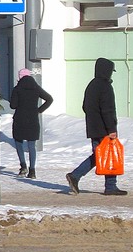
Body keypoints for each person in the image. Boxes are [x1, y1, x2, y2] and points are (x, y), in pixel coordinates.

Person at [66, 57, 126, 196]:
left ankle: (77, 176)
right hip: (105, 129)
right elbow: (107, 109)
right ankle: (109, 186)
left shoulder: (91, 85)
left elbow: (85, 107)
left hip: (93, 128)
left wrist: (93, 120)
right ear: (107, 71)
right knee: (108, 154)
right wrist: (111, 129)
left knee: (99, 155)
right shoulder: (105, 86)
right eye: (111, 71)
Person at [9, 68, 53, 179]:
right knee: (31, 145)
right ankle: (32, 170)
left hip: (19, 119)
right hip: (33, 119)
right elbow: (49, 99)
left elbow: (13, 105)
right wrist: (39, 110)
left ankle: (23, 166)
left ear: (19, 77)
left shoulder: (17, 89)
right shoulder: (36, 88)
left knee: (18, 143)